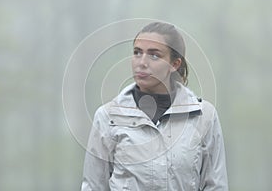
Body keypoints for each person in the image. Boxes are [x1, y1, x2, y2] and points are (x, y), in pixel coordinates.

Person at [81, 22, 228, 190]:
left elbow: (215, 186)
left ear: (175, 64)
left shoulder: (203, 116)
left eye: (154, 55)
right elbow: (93, 186)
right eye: (137, 53)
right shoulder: (108, 117)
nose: (142, 62)